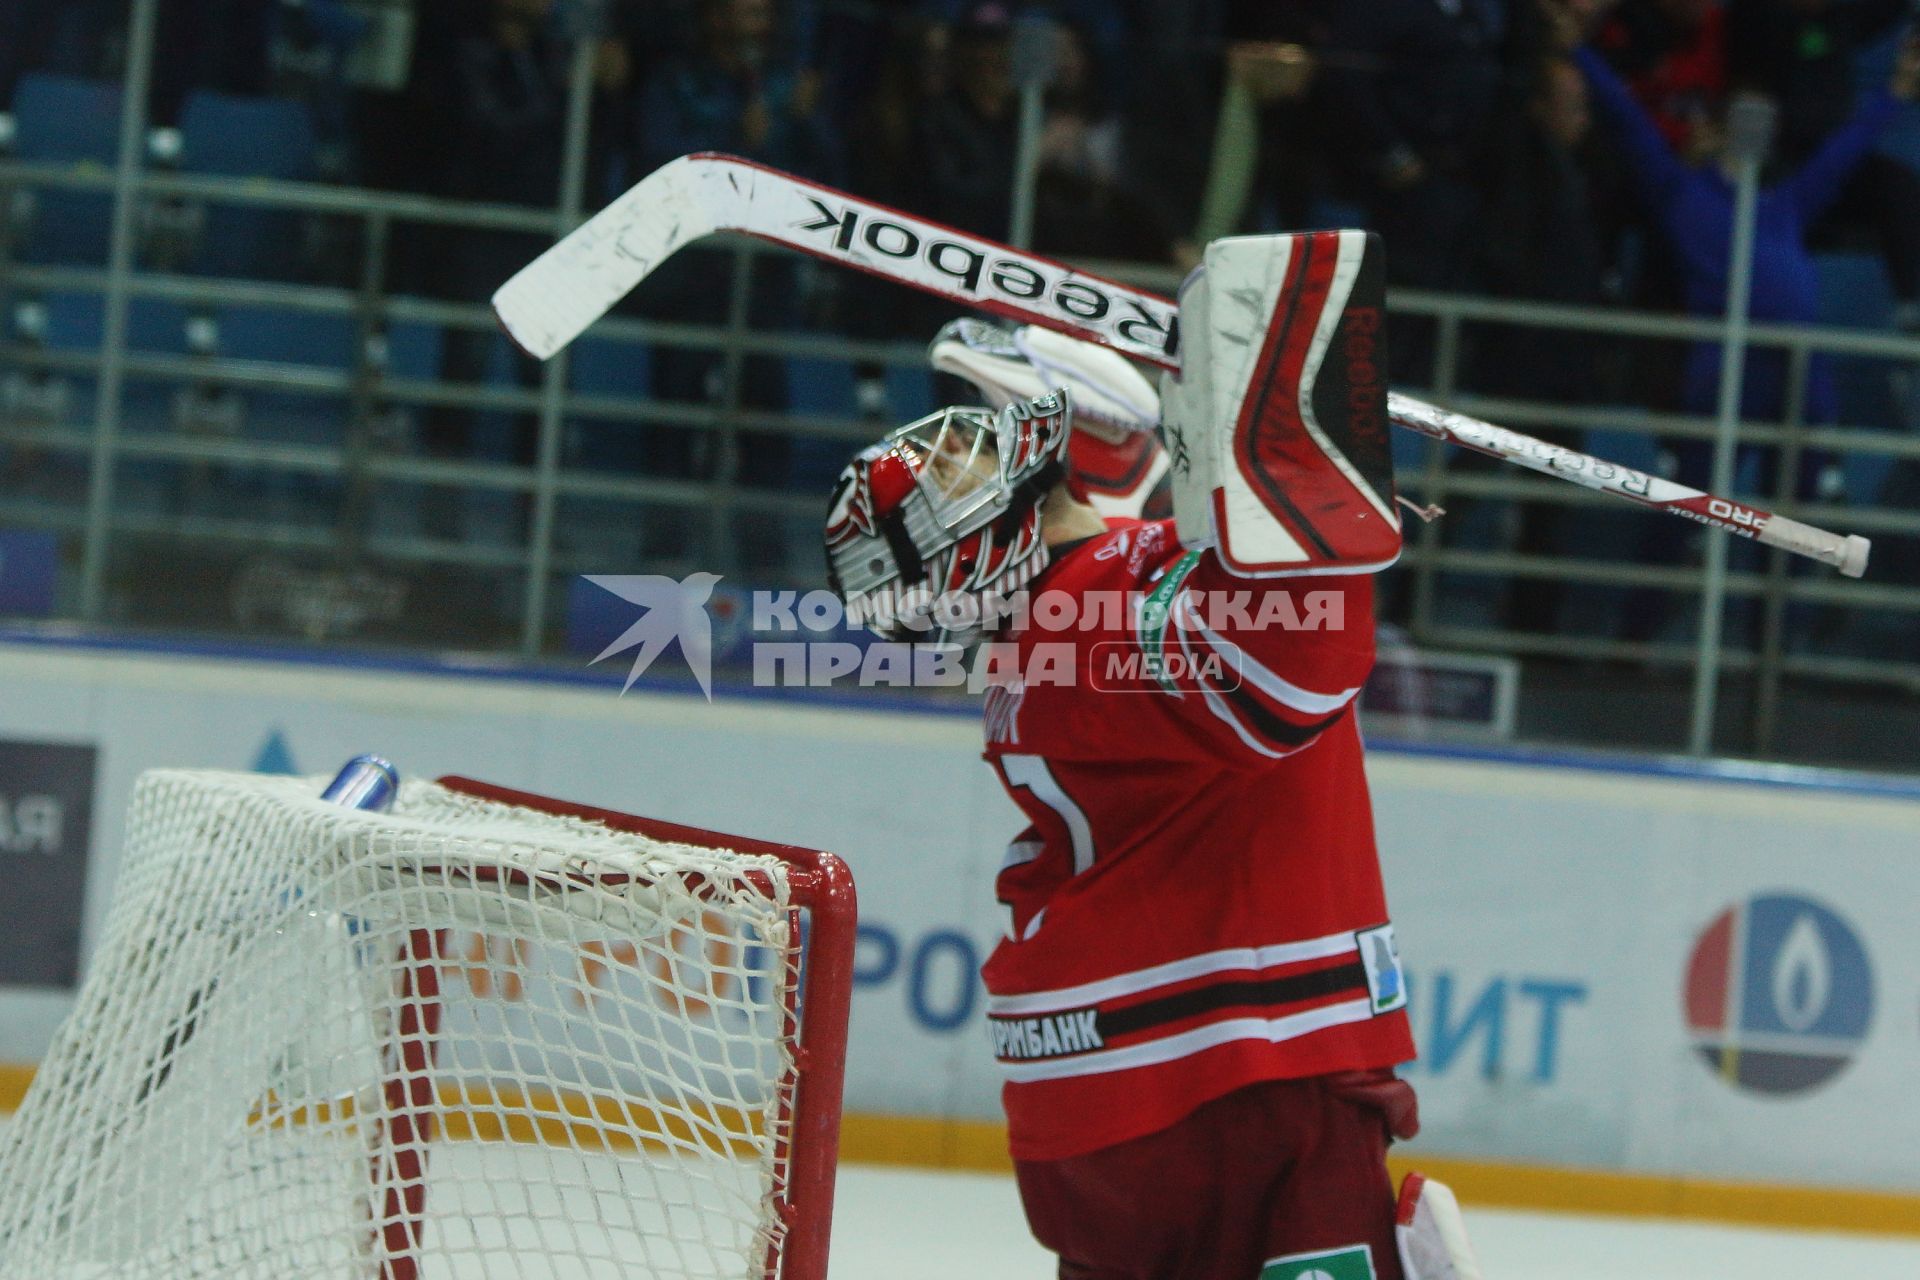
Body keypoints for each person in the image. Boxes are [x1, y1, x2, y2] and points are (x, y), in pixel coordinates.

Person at [823, 231, 1479, 1280]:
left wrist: (1283, 478)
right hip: (1221, 1069)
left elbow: (1208, 573)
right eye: (945, 466)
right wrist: (1299, 461)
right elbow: (1289, 676)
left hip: (1109, 1096)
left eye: (954, 437)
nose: (946, 445)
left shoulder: (1071, 609)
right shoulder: (1079, 613)